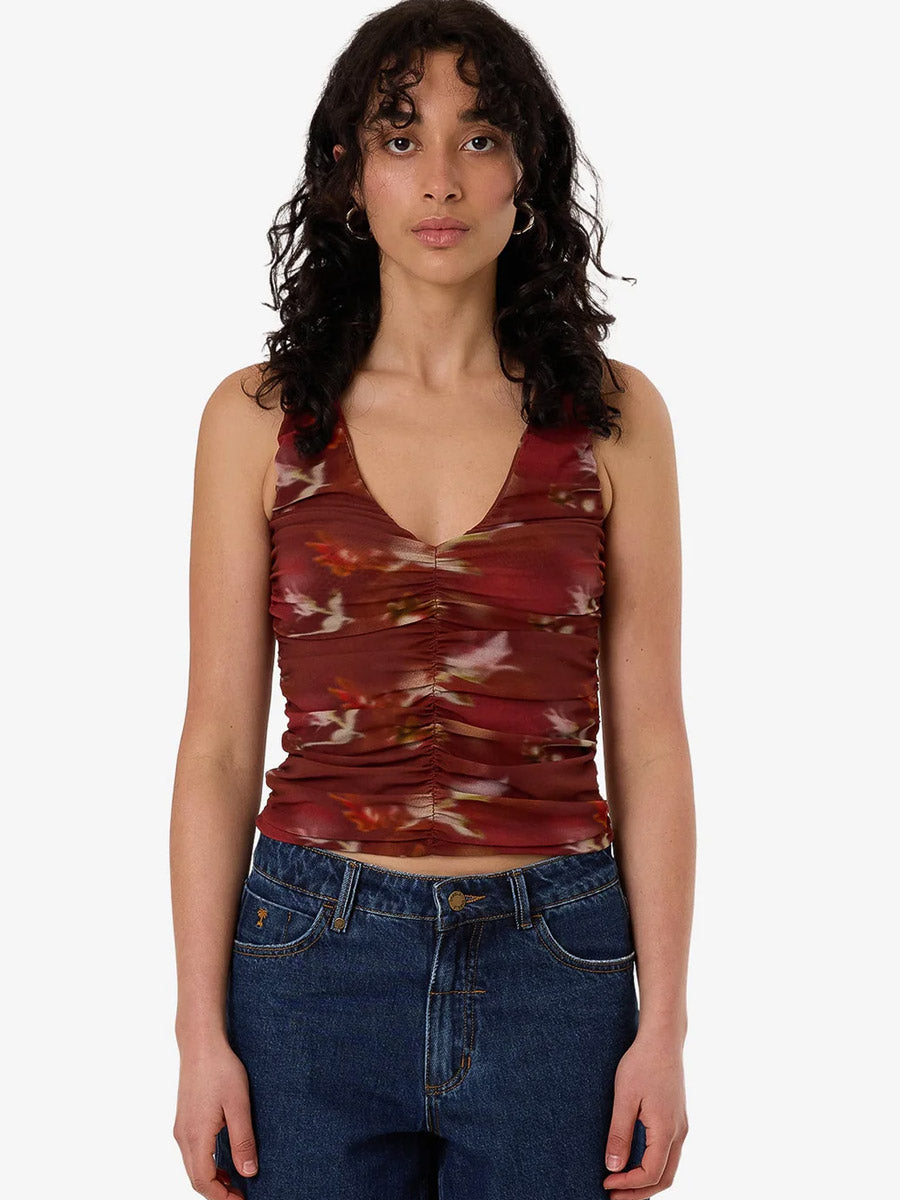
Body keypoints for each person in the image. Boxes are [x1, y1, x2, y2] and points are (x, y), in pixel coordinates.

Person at [171, 3, 694, 1198]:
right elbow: (216, 748)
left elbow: (653, 741)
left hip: (557, 962)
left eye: (481, 137)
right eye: (401, 139)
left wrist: (663, 1028)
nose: (442, 179)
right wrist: (199, 1033)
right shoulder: (259, 420)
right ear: (349, 174)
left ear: (529, 170)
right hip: (307, 963)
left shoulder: (616, 419)